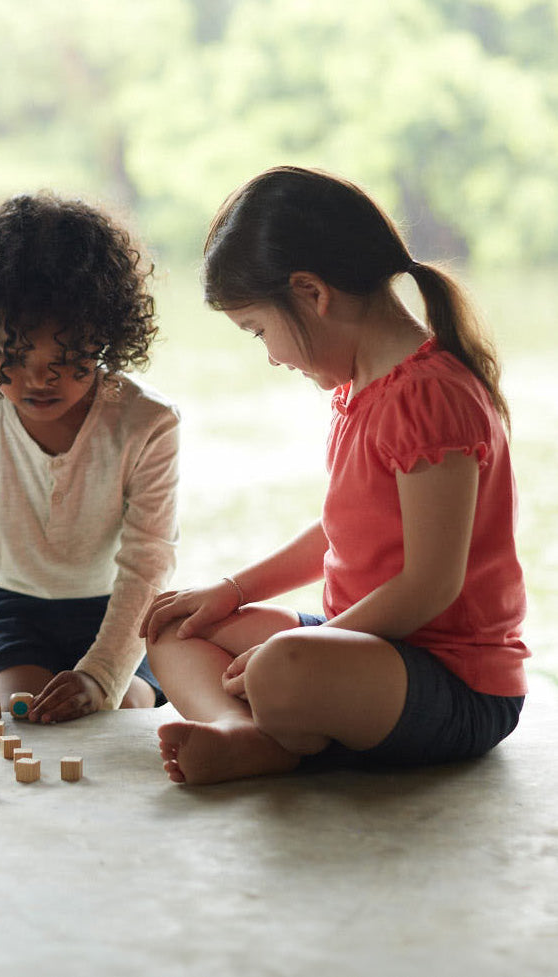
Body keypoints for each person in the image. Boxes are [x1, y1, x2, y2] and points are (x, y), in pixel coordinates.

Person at [142, 165, 529, 785]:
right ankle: (241, 732)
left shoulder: (429, 397)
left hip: (456, 680)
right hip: (367, 648)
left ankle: (282, 731)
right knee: (173, 626)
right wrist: (234, 590)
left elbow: (430, 587)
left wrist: (304, 649)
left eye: (259, 330)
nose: (269, 355)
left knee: (281, 669)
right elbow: (337, 530)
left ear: (312, 294)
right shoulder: (363, 388)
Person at [0, 192, 181, 724]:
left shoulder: (149, 425)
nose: (38, 378)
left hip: (121, 609)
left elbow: (149, 560)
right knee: (20, 713)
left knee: (122, 711)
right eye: (14, 357)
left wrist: (101, 674)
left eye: (66, 358)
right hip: (7, 608)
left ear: (105, 335)